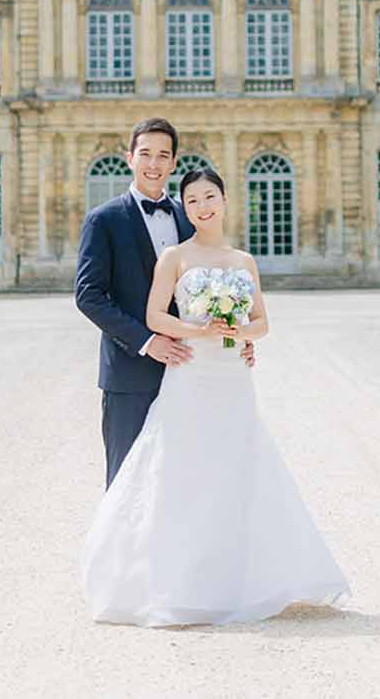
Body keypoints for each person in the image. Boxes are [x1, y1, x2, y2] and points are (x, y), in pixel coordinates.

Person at [80, 165, 349, 626]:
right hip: (191, 372)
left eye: (208, 198)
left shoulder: (244, 261)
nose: (201, 208)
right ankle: (175, 580)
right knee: (184, 470)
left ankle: (241, 578)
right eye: (192, 202)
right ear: (186, 210)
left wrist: (242, 333)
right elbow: (154, 316)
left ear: (224, 200)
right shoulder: (175, 257)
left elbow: (263, 322)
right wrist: (198, 330)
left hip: (232, 378)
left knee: (239, 468)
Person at [74, 118, 253, 487]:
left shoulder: (190, 217)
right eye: (145, 154)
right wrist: (146, 341)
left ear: (173, 163)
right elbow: (89, 296)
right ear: (129, 158)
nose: (153, 164)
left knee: (187, 478)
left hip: (192, 370)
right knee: (127, 479)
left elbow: (217, 285)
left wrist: (238, 339)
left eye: (163, 156)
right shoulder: (103, 220)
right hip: (130, 374)